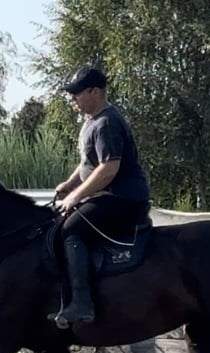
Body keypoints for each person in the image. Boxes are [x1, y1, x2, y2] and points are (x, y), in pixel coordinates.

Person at [50, 65, 151, 325]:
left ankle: (82, 304)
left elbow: (108, 169)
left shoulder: (107, 122)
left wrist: (75, 197)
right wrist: (69, 184)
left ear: (95, 91)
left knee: (70, 230)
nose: (73, 99)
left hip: (123, 199)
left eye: (77, 93)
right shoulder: (91, 122)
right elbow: (89, 163)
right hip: (106, 197)